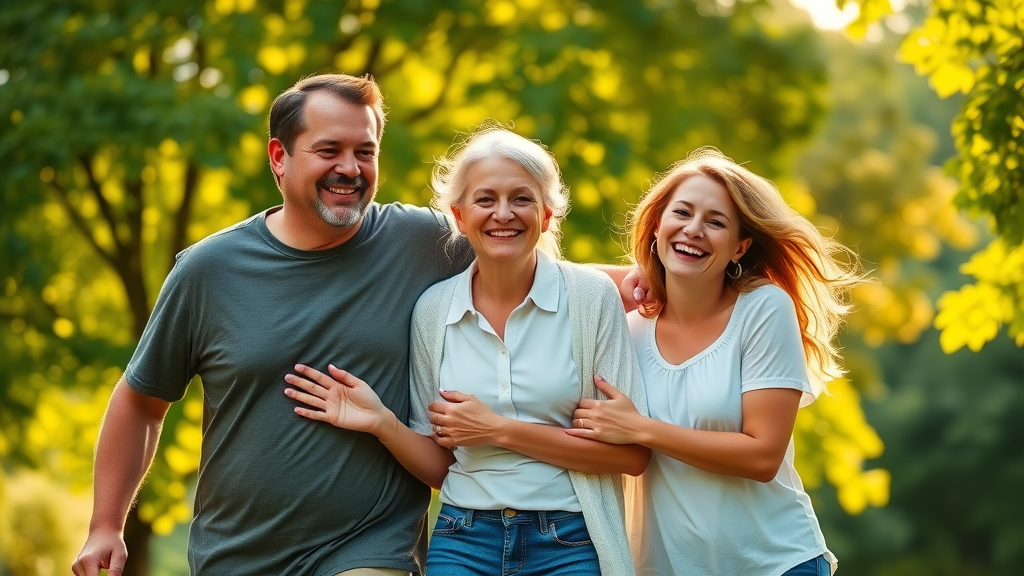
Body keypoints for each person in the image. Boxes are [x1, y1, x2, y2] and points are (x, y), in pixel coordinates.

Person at [71, 74, 643, 576]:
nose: (350, 168)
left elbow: (519, 254)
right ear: (279, 156)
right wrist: (106, 523)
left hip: (372, 543)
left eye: (364, 151)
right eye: (329, 150)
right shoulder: (209, 271)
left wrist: (646, 279)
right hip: (240, 547)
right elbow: (141, 400)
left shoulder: (420, 242)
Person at [284, 126, 650, 576]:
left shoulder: (592, 299)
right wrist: (381, 422)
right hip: (463, 539)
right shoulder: (434, 312)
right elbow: (442, 467)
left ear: (547, 214)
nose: (503, 214)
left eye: (521, 199)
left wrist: (497, 430)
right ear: (459, 216)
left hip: (569, 541)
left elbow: (632, 456)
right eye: (485, 199)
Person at [568, 148, 862, 575]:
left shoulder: (762, 309)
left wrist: (640, 428)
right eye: (682, 213)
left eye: (716, 222)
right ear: (656, 227)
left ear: (740, 246)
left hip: (775, 563)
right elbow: (550, 278)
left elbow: (762, 456)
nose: (694, 230)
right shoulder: (625, 328)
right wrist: (632, 271)